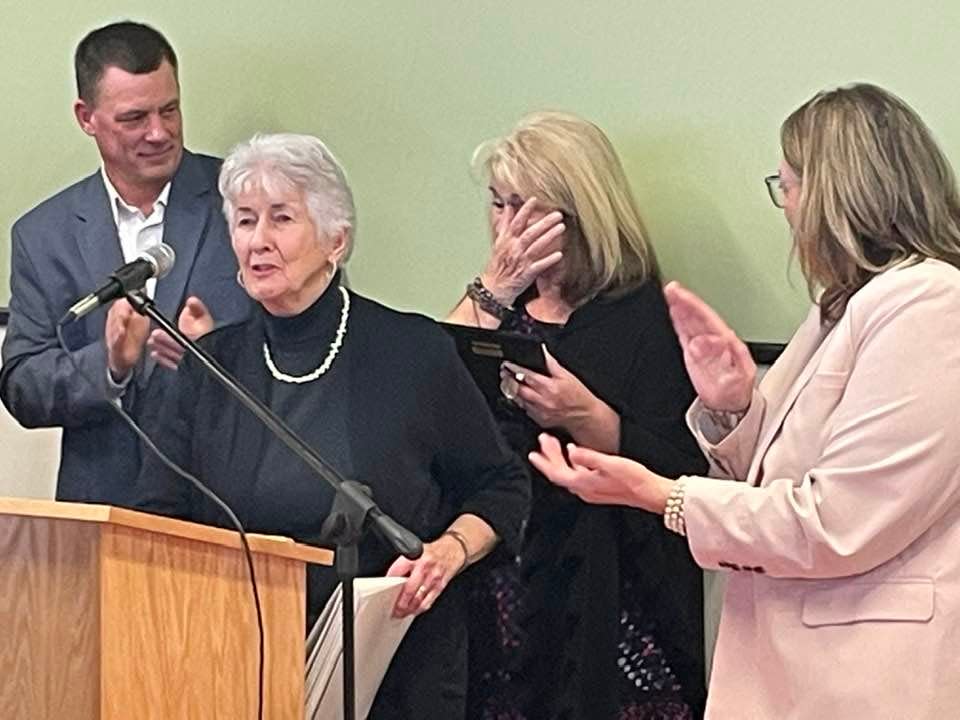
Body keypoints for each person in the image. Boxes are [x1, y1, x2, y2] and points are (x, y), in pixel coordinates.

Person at [531, 83, 960, 719]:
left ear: (835, 194)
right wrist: (732, 405)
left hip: (866, 675)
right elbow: (776, 473)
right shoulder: (842, 305)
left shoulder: (931, 303)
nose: (784, 207)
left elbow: (839, 522)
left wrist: (660, 494)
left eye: (786, 185)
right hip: (800, 661)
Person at [132, 132, 530, 719]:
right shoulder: (209, 369)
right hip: (241, 665)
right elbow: (155, 517)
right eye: (244, 222)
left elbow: (501, 486)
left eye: (281, 218)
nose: (258, 241)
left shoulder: (413, 351)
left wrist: (449, 550)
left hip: (396, 668)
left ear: (335, 239)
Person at [448, 112, 708, 719]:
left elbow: (682, 470)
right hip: (499, 582)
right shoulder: (498, 304)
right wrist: (494, 289)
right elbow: (430, 389)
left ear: (580, 214)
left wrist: (588, 417)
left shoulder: (641, 316)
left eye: (526, 208)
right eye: (497, 205)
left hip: (611, 598)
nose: (507, 227)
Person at [0, 21, 249, 506]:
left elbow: (306, 336)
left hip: (231, 512)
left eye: (170, 110)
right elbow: (22, 385)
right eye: (135, 118)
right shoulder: (43, 236)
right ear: (86, 116)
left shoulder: (241, 202)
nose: (159, 133)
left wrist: (219, 354)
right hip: (104, 513)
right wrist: (110, 363)